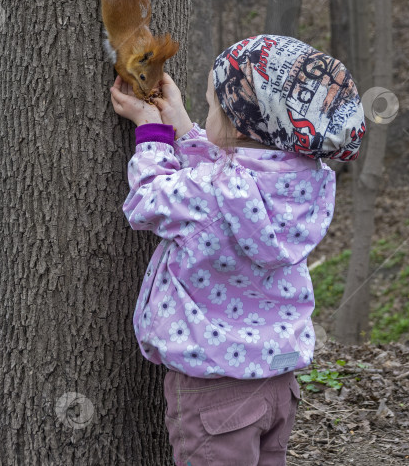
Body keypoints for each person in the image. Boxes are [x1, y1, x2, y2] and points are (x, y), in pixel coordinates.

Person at [110, 35, 366, 466]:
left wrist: (152, 133)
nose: (207, 111)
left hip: (216, 390)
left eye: (212, 105)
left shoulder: (211, 193)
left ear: (239, 125)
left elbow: (148, 201)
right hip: (277, 382)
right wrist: (184, 125)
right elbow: (233, 171)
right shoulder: (308, 180)